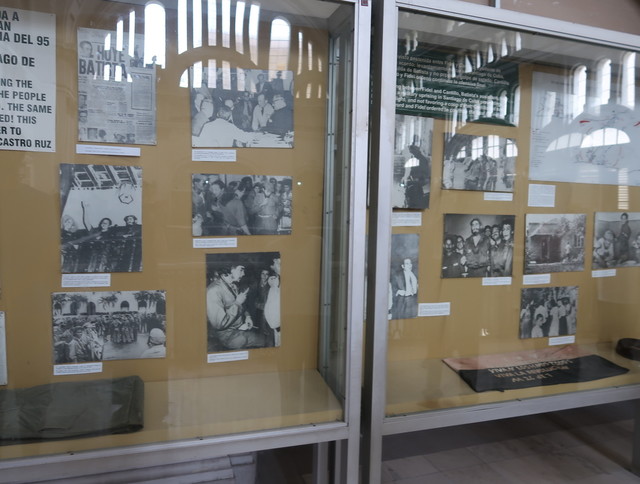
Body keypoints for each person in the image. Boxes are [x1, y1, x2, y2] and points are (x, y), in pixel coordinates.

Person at [206, 263, 266, 350]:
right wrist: (237, 303)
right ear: (230, 270)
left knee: (264, 340)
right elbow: (219, 324)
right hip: (227, 336)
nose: (243, 274)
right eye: (241, 270)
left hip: (239, 328)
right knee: (264, 342)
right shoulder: (213, 291)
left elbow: (241, 304)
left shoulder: (233, 285)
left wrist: (247, 316)